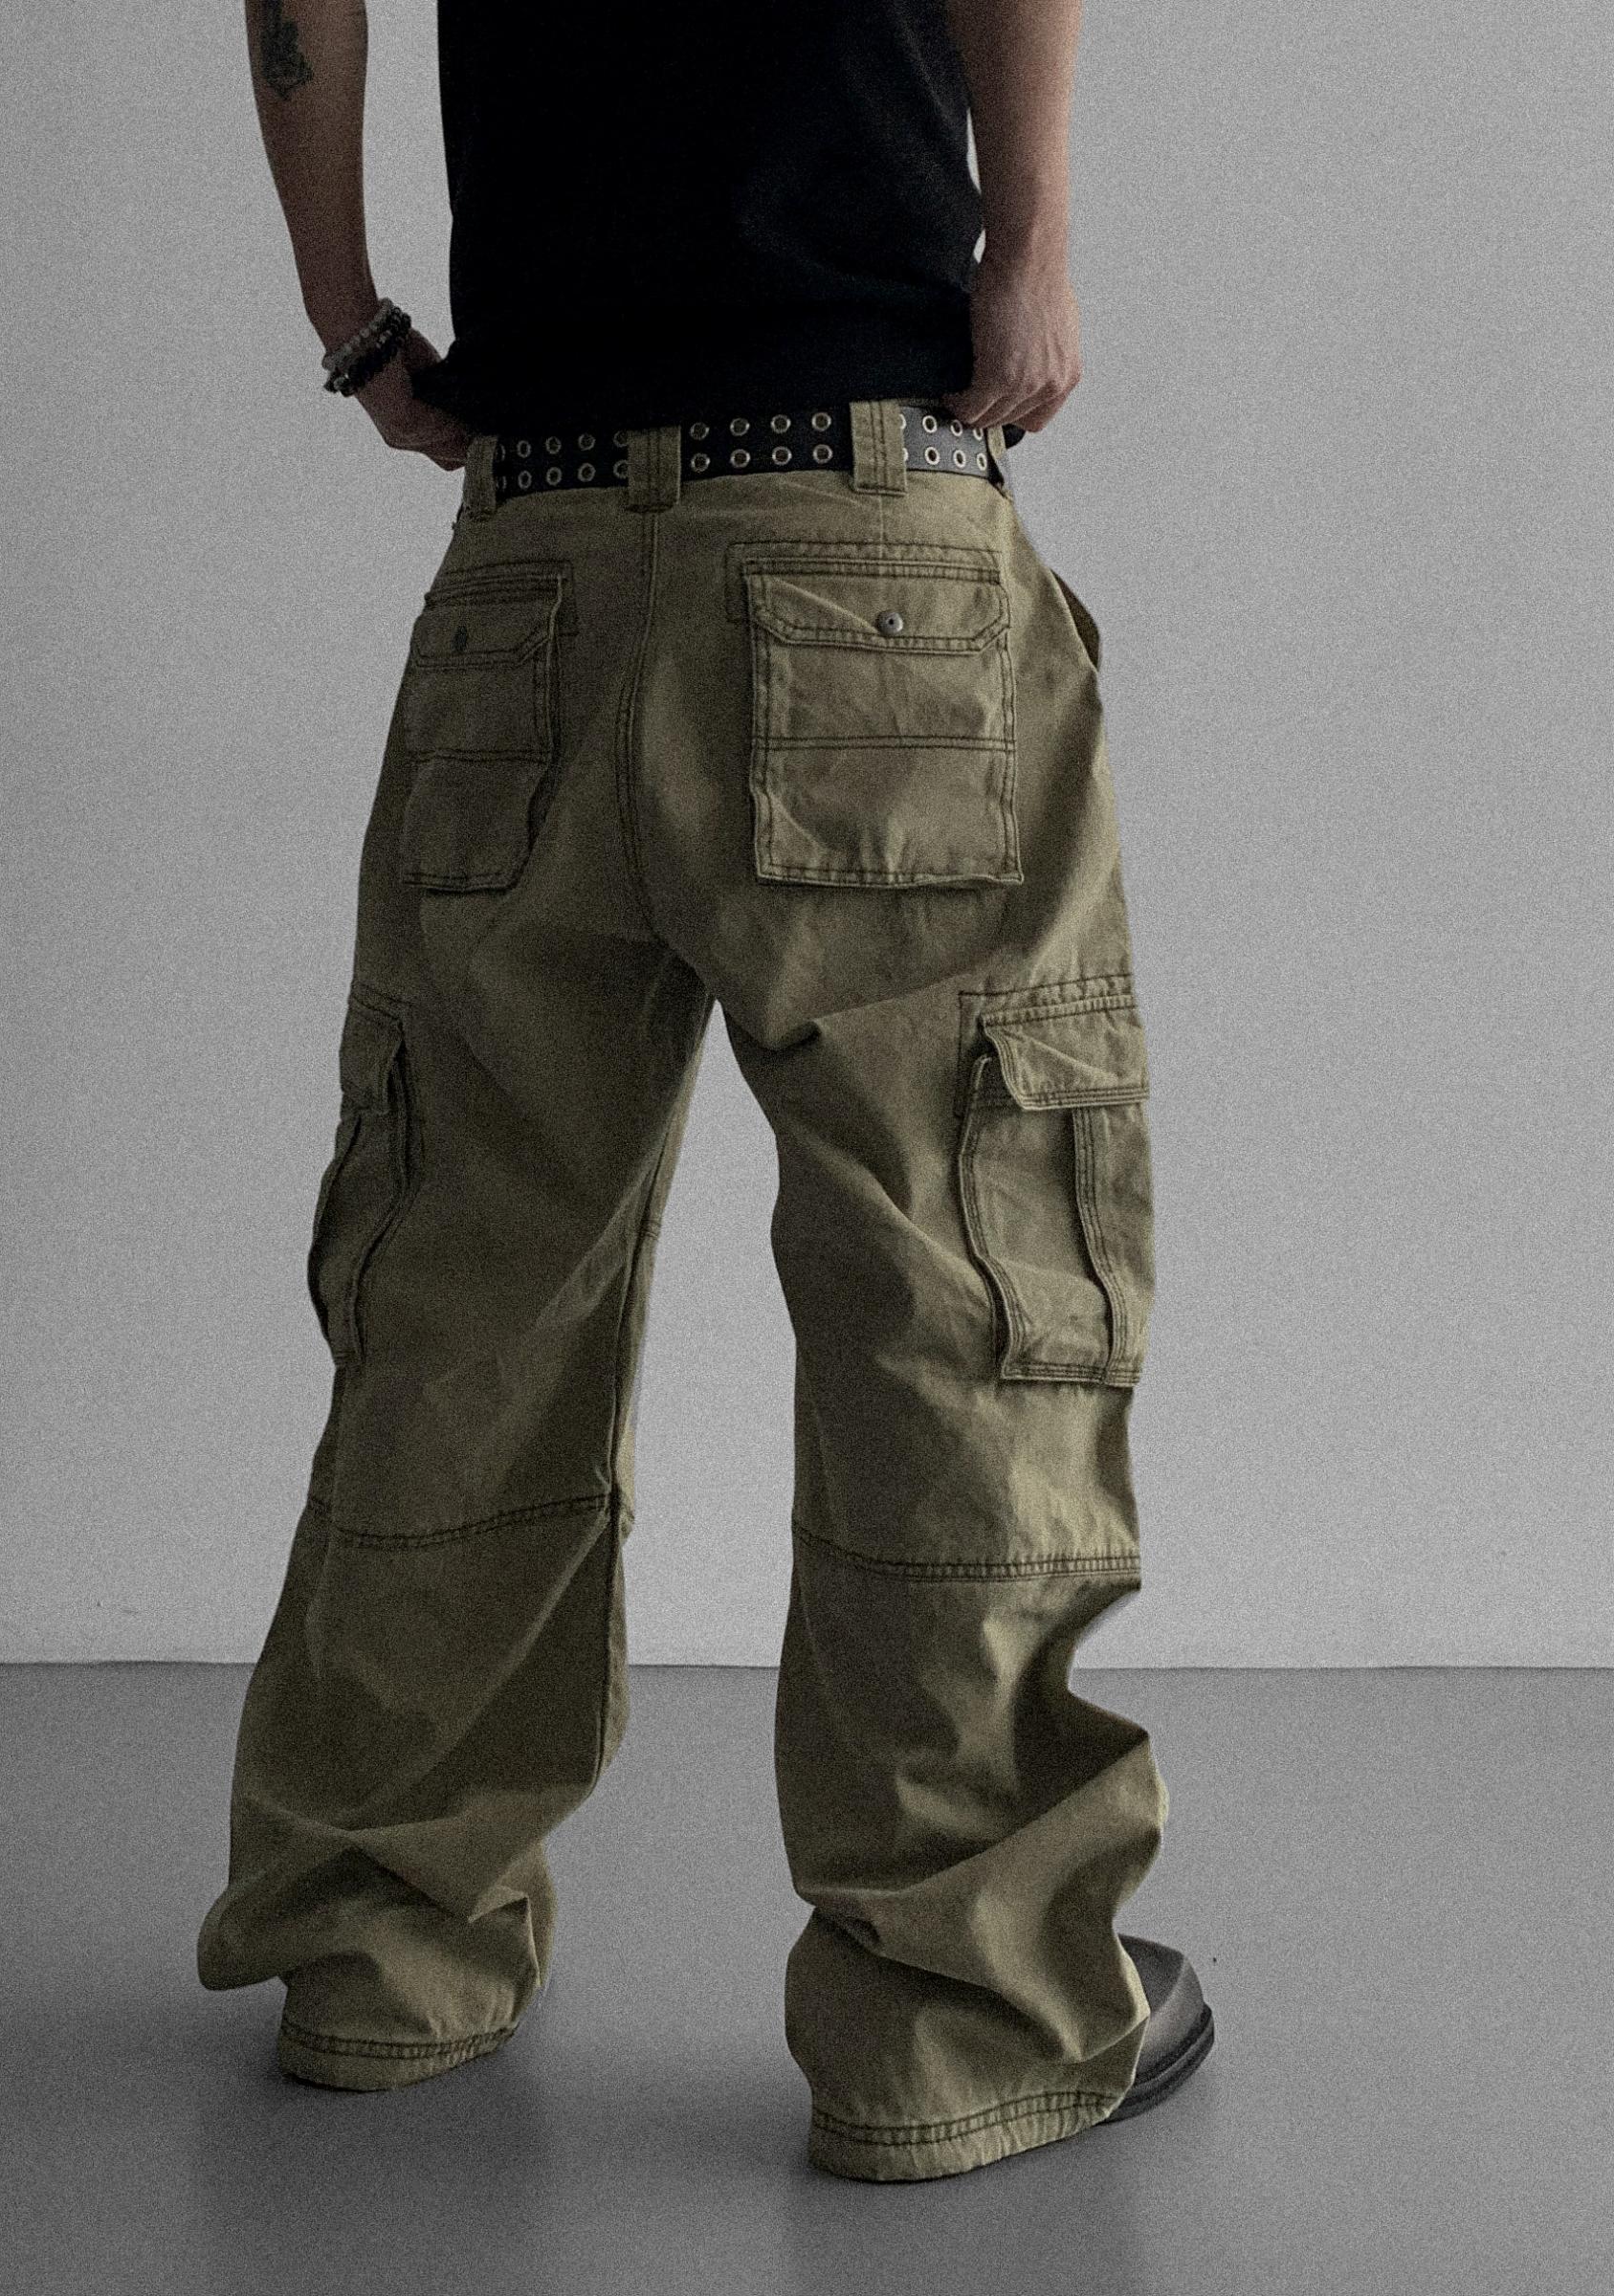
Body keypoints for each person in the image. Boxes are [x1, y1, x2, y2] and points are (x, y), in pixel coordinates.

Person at [197, 0, 1215, 2184]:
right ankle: (958, 2018)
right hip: (861, 524)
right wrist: (1030, 234)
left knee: (460, 1290)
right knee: (958, 1282)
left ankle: (379, 1949)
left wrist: (352, 319)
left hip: (536, 552)